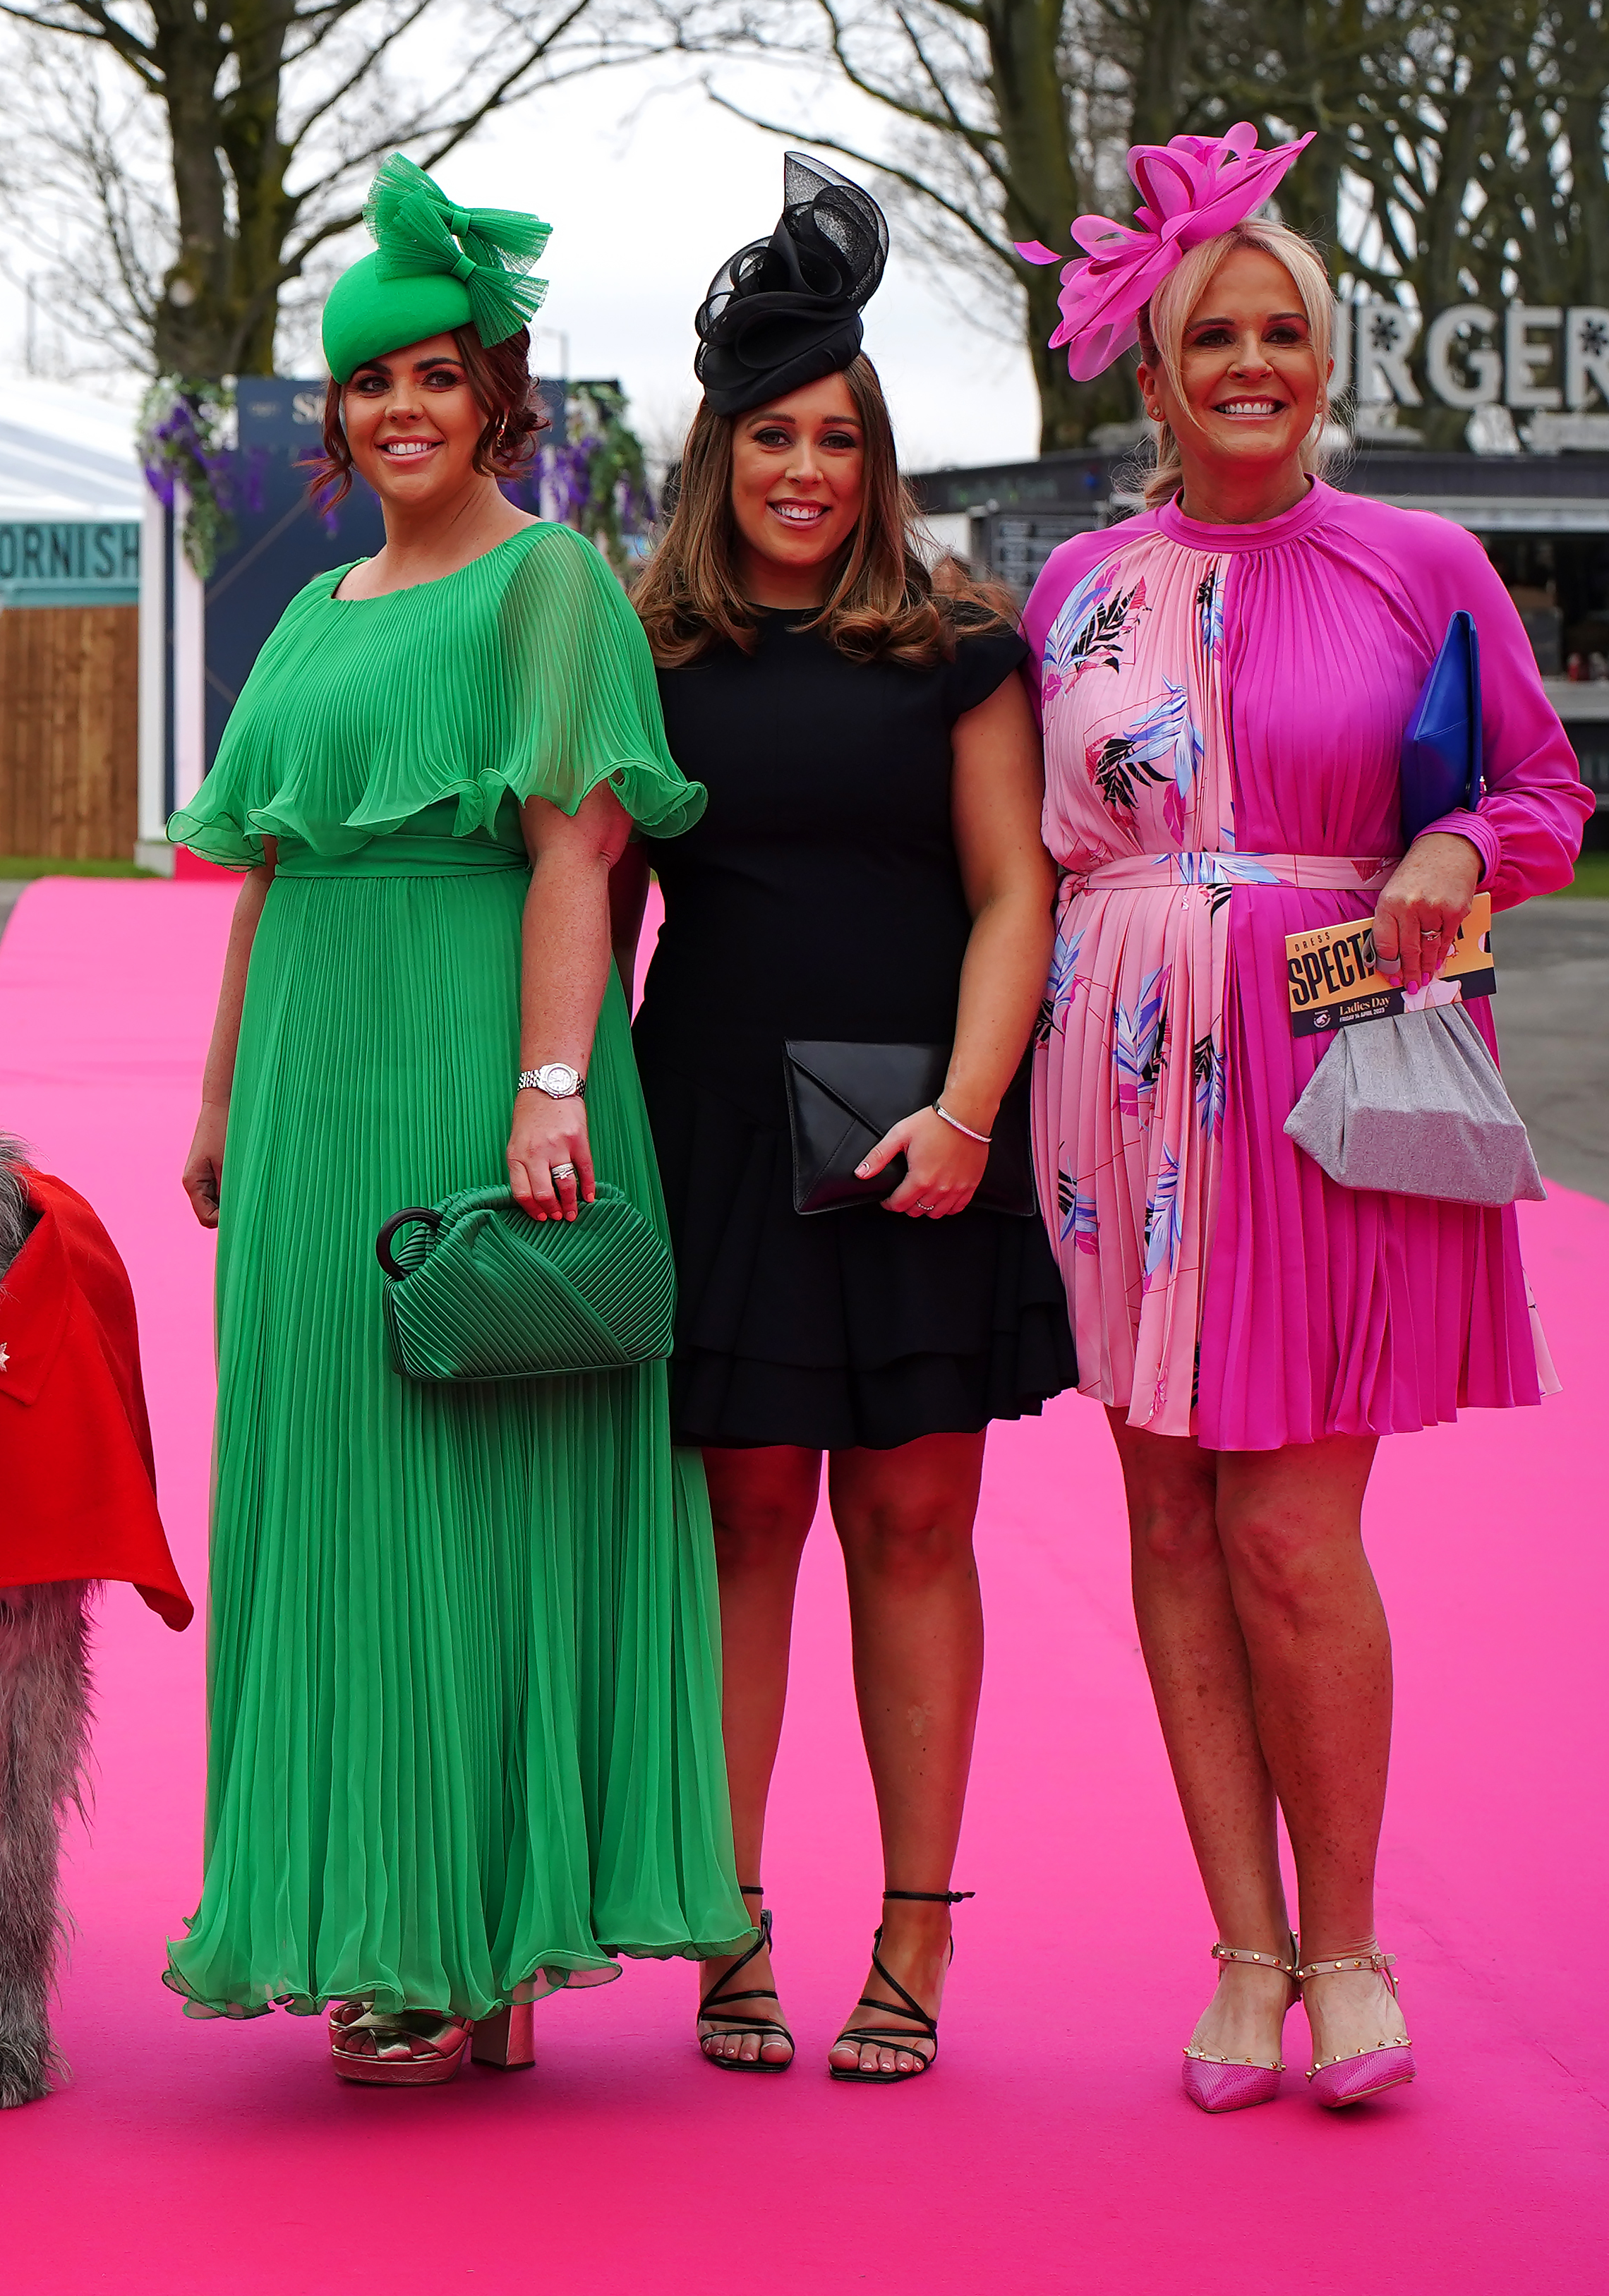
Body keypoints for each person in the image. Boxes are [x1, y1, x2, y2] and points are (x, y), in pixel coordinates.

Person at [1011, 127, 1588, 2112]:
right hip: (1120, 1077)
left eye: (1284, 331)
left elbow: (1541, 795)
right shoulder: (1075, 589)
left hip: (1336, 1069)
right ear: (1150, 378)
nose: (1252, 363)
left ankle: (1346, 1945)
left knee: (1288, 1527)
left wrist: (1451, 838)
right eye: (1211, 336)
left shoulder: (1424, 563)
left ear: (1321, 358)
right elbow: (1017, 843)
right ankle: (1240, 1953)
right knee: (1165, 1510)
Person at [163, 157, 749, 2083]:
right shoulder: (321, 608)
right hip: (315, 1091)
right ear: (333, 414)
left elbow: (576, 851)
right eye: (366, 383)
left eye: (432, 376)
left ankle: (470, 1936)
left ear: (493, 394)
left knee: (473, 1504)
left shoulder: (552, 579)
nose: (399, 409)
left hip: (481, 1070)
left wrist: (549, 1087)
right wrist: (220, 1094)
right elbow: (264, 870)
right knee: (327, 1507)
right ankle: (382, 1917)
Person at [618, 157, 1071, 2081]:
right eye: (770, 435)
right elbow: (587, 899)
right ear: (719, 454)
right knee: (739, 1525)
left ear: (876, 458)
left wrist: (971, 1114)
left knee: (913, 1520)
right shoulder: (646, 656)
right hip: (709, 1125)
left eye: (837, 438)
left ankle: (916, 1935)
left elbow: (1015, 895)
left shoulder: (956, 643)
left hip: (912, 1132)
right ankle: (725, 1920)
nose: (804, 469)